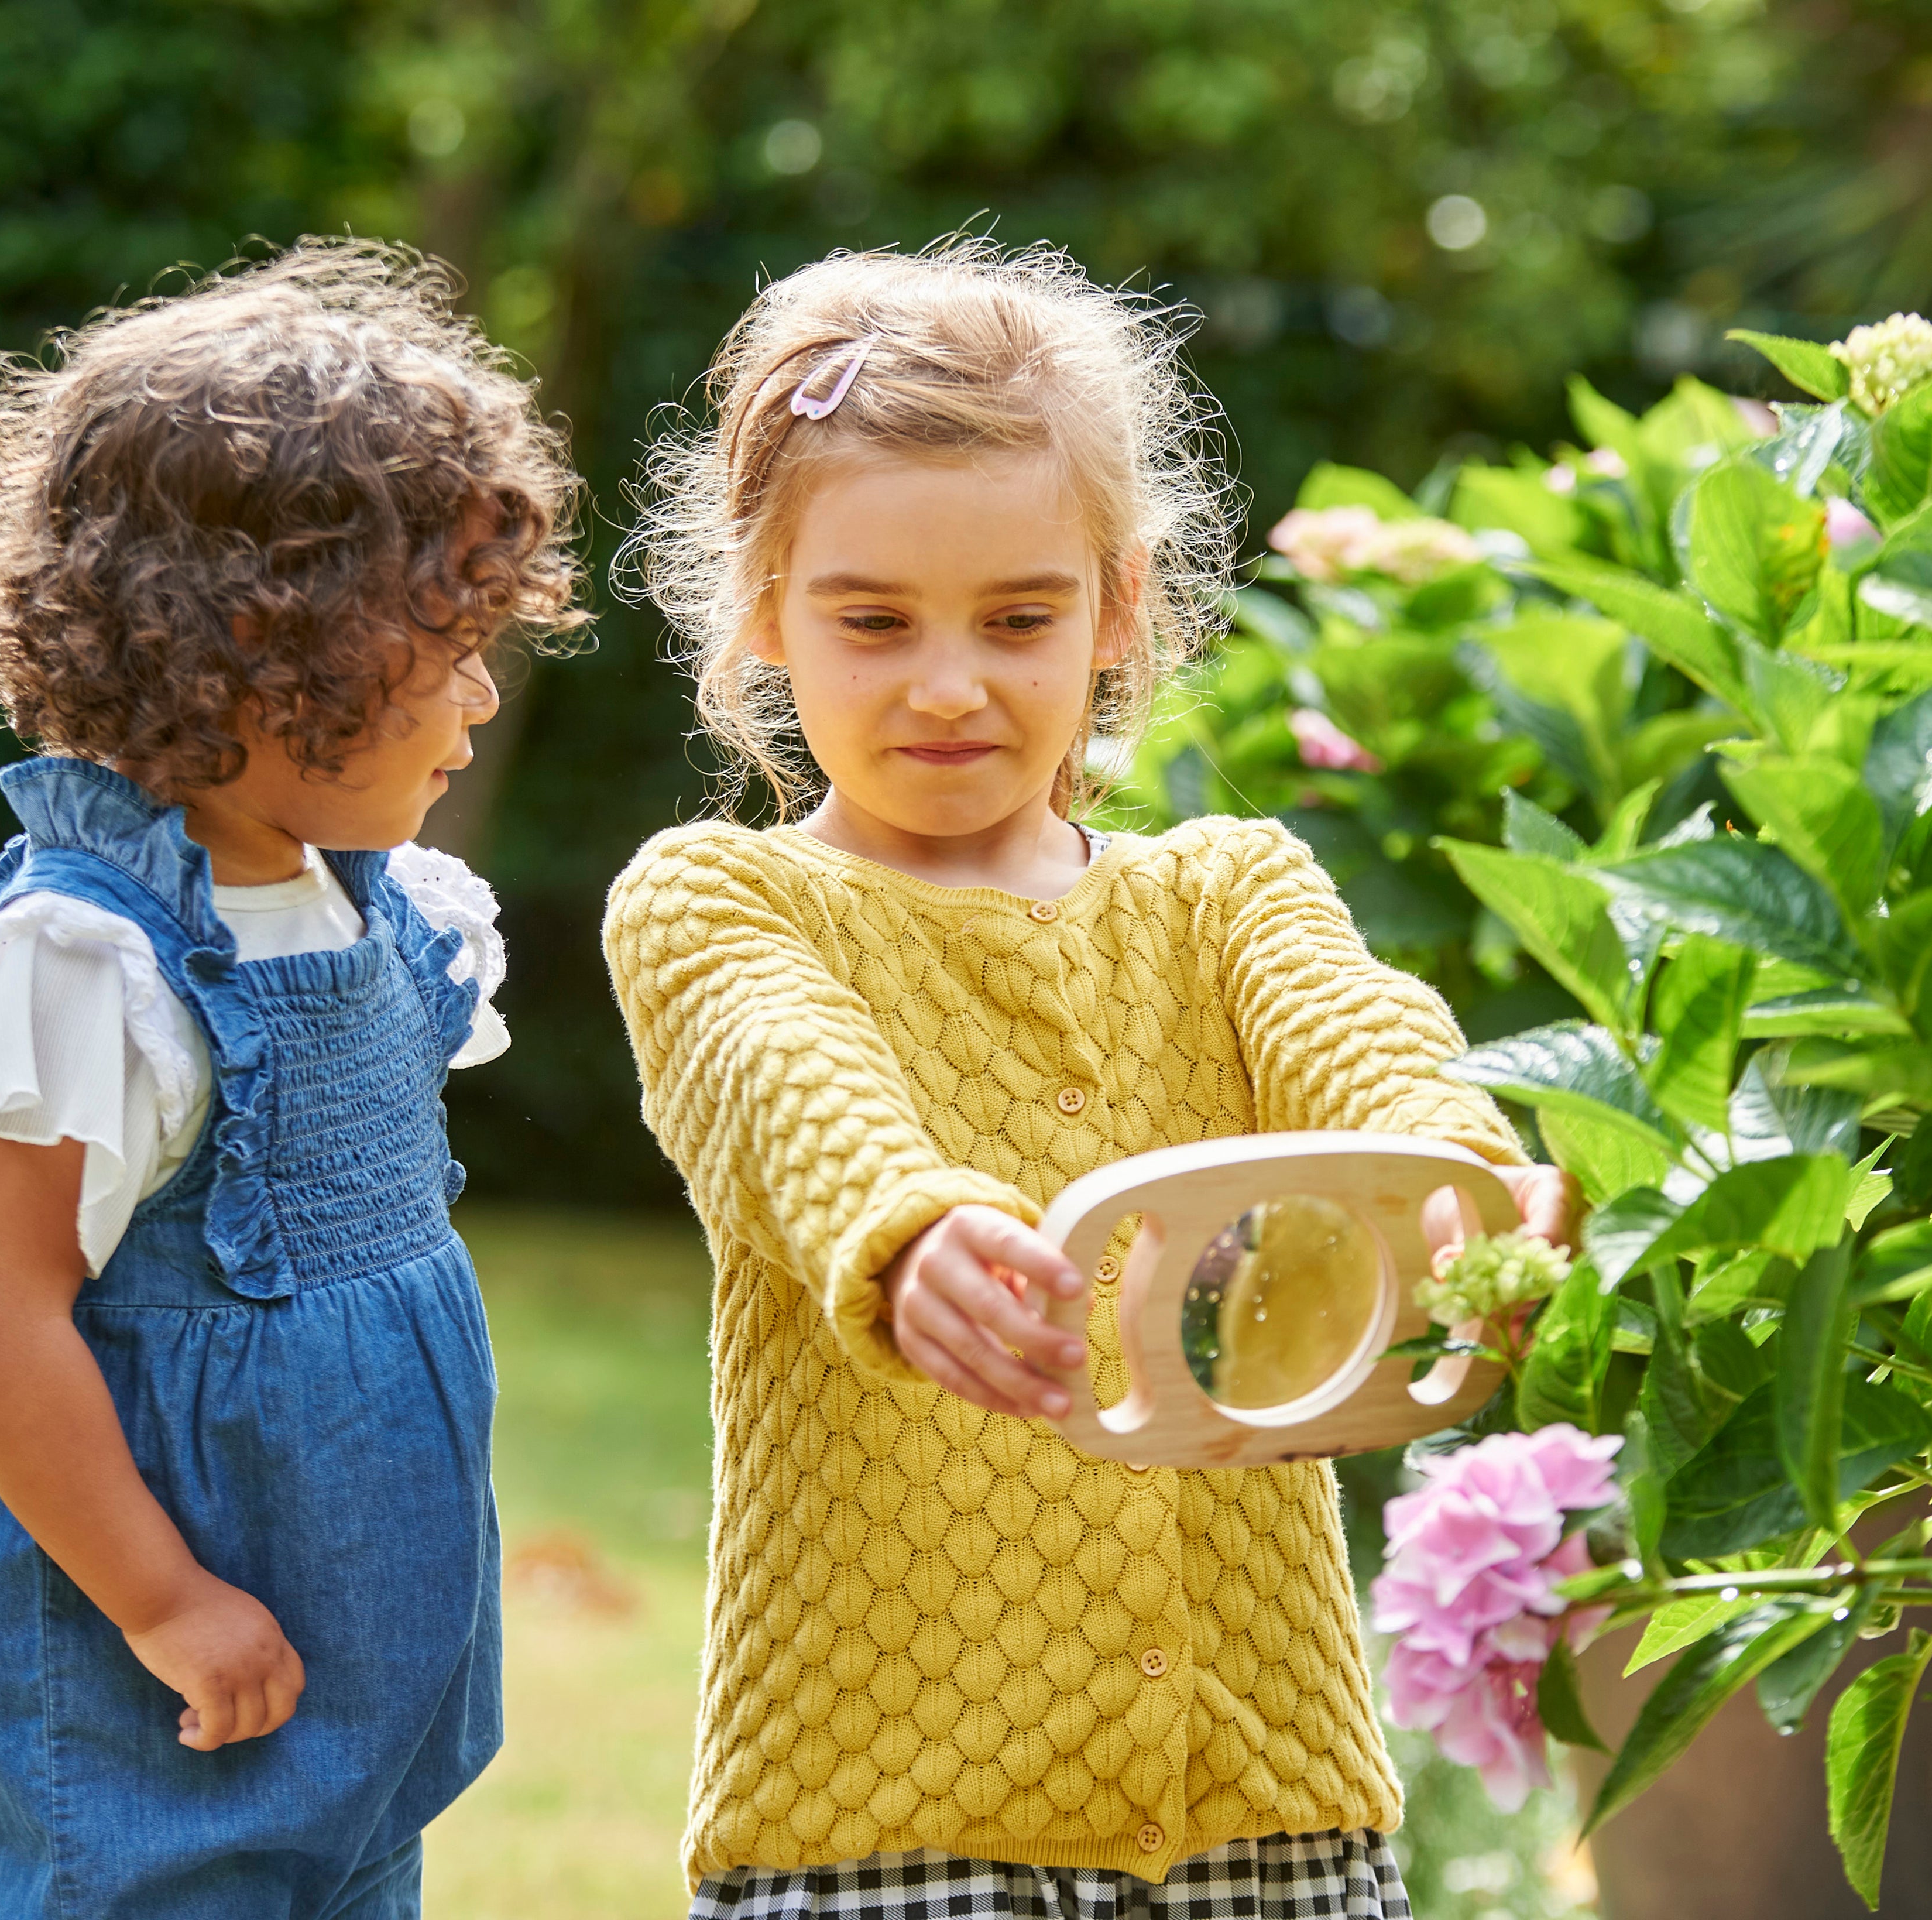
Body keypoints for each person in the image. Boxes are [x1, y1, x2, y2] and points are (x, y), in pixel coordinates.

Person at [605, 239, 1577, 1920]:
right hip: (888, 1818)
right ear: (765, 610)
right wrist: (908, 1238)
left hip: (1268, 1808)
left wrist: (1453, 1177)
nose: (951, 681)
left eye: (1020, 616)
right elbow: (786, 1083)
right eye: (873, 620)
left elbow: (1362, 1035)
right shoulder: (720, 900)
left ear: (1121, 605)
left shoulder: (1227, 893)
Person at [0, 240, 585, 1919]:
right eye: (444, 645)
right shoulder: (93, 959)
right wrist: (159, 1597)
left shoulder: (362, 900)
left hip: (352, 1645)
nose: (480, 694)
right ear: (263, 644)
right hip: (158, 1657)